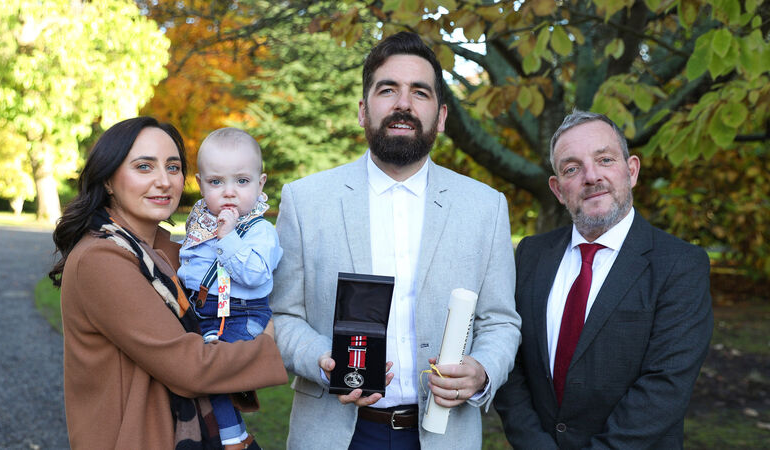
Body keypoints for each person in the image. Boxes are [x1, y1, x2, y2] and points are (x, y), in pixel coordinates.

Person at [269, 31, 521, 450]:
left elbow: (500, 321)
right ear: (362, 110)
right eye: (388, 90)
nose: (403, 104)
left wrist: (482, 370)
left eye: (419, 92)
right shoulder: (305, 201)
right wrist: (322, 359)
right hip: (334, 434)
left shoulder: (486, 207)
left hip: (443, 435)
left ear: (441, 116)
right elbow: (282, 315)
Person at [49, 117, 288, 449]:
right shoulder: (101, 259)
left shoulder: (175, 255)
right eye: (144, 167)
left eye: (173, 167)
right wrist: (268, 341)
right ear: (108, 180)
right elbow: (190, 367)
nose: (163, 181)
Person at [494, 110, 714, 449]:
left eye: (605, 160)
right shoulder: (530, 255)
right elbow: (510, 361)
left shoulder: (681, 264)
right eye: (572, 168)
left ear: (632, 170)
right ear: (557, 189)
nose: (591, 176)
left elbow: (665, 387)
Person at [177, 127, 283, 449]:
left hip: (240, 316)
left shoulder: (260, 231)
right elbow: (191, 267)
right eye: (216, 182)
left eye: (242, 181)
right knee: (187, 374)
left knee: (213, 369)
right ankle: (206, 433)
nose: (229, 192)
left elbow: (256, 274)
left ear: (260, 184)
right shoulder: (201, 223)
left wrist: (229, 239)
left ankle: (234, 439)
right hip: (203, 313)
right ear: (200, 184)